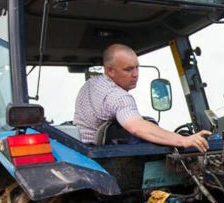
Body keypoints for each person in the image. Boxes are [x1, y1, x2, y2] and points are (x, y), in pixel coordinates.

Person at [73, 44, 211, 150]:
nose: (135, 74)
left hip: (80, 151)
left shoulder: (90, 84)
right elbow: (136, 127)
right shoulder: (118, 96)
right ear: (109, 70)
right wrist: (183, 140)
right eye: (128, 69)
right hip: (98, 157)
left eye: (137, 67)